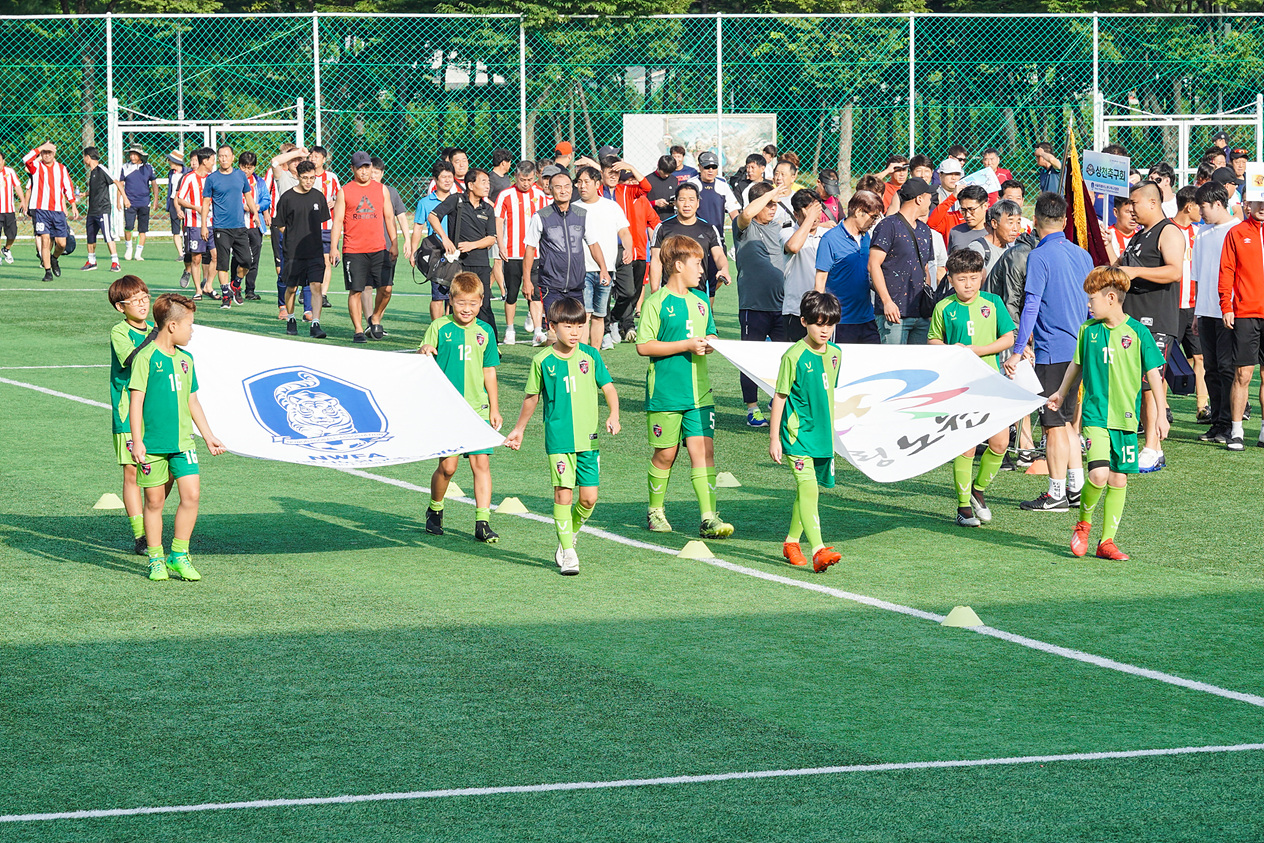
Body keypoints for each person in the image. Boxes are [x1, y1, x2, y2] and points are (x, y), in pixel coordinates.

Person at [1048, 267, 1169, 561]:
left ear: (1111, 298)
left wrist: (1162, 414)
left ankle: (1107, 542)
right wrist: (1062, 392)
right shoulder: (1087, 331)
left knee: (1118, 480)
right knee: (1100, 474)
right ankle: (1084, 525)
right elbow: (1076, 365)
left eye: (1092, 299)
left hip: (1126, 420)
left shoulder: (1138, 333)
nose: (1088, 305)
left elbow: (1154, 374)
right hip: (1095, 416)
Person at [503, 296, 621, 575]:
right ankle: (568, 552)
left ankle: (570, 533)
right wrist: (519, 429)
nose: (575, 332)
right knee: (563, 495)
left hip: (589, 440)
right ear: (552, 327)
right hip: (559, 439)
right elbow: (531, 398)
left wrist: (613, 414)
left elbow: (609, 388)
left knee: (589, 498)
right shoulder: (542, 360)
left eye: (579, 326)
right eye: (568, 327)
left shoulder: (591, 356)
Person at [636, 234, 732, 539]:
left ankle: (708, 517)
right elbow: (644, 346)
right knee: (666, 454)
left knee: (704, 452)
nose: (702, 269)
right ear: (678, 265)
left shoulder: (702, 302)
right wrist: (687, 345)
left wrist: (712, 344)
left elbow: (712, 335)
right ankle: (655, 510)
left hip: (700, 394)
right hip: (666, 394)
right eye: (697, 263)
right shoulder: (656, 303)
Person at [127, 292, 227, 582]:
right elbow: (136, 402)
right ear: (172, 326)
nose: (192, 331)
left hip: (184, 443)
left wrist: (208, 436)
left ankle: (179, 555)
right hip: (154, 446)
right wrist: (138, 440)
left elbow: (192, 401)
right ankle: (156, 559)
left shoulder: (187, 359)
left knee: (192, 495)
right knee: (155, 502)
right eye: (190, 325)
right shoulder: (146, 358)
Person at [1006, 192, 1091, 511]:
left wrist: (1017, 349)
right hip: (1078, 348)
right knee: (1068, 423)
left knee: (1053, 424)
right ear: (1066, 220)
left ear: (1036, 220)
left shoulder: (1039, 257)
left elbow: (1031, 305)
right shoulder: (1082, 255)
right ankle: (1075, 488)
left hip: (1053, 351)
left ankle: (1056, 493)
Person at [928, 249, 1016, 527]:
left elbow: (1008, 338)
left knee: (1000, 442)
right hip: (959, 387)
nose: (968, 284)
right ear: (951, 279)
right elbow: (932, 341)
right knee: (965, 446)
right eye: (962, 278)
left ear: (982, 277)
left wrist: (980, 350)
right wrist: (949, 349)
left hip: (991, 384)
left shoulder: (993, 302)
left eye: (974, 278)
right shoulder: (944, 307)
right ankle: (963, 505)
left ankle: (978, 490)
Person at [763, 288, 845, 573]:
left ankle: (791, 542)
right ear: (803, 322)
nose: (825, 330)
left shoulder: (836, 354)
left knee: (807, 491)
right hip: (797, 436)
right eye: (818, 324)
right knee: (809, 487)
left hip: (822, 435)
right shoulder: (793, 356)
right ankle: (819, 549)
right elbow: (780, 397)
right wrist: (774, 437)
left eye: (830, 324)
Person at [419, 271, 501, 542]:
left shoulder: (485, 331)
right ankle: (435, 509)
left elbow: (489, 371)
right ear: (451, 301)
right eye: (461, 303)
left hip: (477, 409)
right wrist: (424, 353)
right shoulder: (440, 327)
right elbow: (425, 355)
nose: (467, 309)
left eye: (473, 303)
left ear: (481, 302)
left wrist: (494, 408)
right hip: (448, 409)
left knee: (482, 464)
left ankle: (482, 522)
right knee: (448, 468)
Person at [1116, 181, 1186, 471]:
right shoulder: (1137, 236)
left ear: (1152, 203)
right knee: (1136, 385)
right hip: (1132, 320)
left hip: (1155, 320)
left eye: (1134, 202)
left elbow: (1174, 270)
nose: (1130, 208)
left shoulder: (1168, 231)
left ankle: (1153, 447)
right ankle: (1140, 442)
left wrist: (1135, 271)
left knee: (1149, 383)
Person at [523, 171, 606, 345]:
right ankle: (553, 369)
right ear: (550, 190)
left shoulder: (583, 215)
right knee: (555, 329)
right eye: (558, 187)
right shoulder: (541, 216)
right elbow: (530, 249)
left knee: (577, 327)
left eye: (567, 186)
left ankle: (579, 365)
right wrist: (527, 281)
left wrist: (603, 269)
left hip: (576, 285)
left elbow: (593, 244)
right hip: (550, 285)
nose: (563, 190)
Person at [735, 181, 792, 426]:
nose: (772, 208)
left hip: (780, 307)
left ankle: (776, 402)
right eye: (768, 204)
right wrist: (770, 192)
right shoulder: (744, 228)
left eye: (775, 205)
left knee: (784, 358)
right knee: (750, 359)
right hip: (753, 306)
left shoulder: (777, 225)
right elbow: (747, 213)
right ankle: (752, 409)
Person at [107, 275, 154, 556]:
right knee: (132, 472)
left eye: (145, 297)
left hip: (156, 411)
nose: (142, 304)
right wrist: (160, 334)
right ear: (120, 307)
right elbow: (133, 358)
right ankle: (140, 535)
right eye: (135, 300)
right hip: (127, 412)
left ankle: (151, 520)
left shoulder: (156, 329)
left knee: (157, 471)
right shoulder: (120, 332)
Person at [331, 151, 397, 343]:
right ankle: (359, 329)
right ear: (352, 169)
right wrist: (334, 247)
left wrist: (394, 242)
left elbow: (389, 217)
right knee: (356, 290)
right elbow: (337, 222)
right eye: (359, 167)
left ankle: (375, 317)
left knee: (386, 289)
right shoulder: (345, 191)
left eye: (367, 167)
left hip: (379, 248)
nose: (364, 171)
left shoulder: (382, 189)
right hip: (353, 249)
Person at [430, 168, 501, 342]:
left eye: (488, 182)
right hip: (459, 264)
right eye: (483, 182)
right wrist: (445, 239)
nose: (487, 186)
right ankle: (452, 340)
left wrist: (472, 245)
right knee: (457, 303)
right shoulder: (457, 200)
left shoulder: (488, 209)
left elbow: (491, 239)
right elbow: (433, 217)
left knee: (483, 305)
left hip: (482, 264)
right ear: (471, 185)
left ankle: (490, 343)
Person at [1218, 198, 1264, 451]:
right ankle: (1236, 430)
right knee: (1243, 373)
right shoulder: (1236, 233)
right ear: (1248, 204)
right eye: (1259, 202)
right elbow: (1226, 270)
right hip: (1245, 311)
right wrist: (1226, 306)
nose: (1263, 206)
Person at [1193, 182, 1237, 443]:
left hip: (1228, 312)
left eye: (1204, 206)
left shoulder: (1235, 230)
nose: (1201, 212)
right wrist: (1198, 312)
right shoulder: (1202, 233)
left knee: (1226, 367)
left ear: (1218, 204)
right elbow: (1197, 276)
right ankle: (1217, 423)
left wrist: (1231, 307)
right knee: (1210, 367)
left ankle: (1230, 422)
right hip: (1206, 311)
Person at [869, 176, 935, 345]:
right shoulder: (888, 226)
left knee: (918, 368)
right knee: (894, 366)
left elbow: (925, 268)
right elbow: (873, 264)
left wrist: (927, 305)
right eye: (929, 197)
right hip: (894, 314)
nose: (931, 201)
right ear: (919, 199)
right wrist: (886, 302)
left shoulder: (925, 230)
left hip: (920, 315)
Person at [568, 165, 628, 348]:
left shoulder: (611, 207)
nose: (582, 186)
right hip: (581, 270)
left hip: (606, 270)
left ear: (597, 184)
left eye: (586, 182)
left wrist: (628, 248)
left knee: (600, 315)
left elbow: (624, 231)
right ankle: (582, 354)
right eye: (579, 182)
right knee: (584, 314)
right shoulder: (572, 208)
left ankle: (594, 356)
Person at [814, 189, 882, 343]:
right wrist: (820, 318)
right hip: (841, 321)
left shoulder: (867, 238)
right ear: (858, 211)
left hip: (867, 318)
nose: (874, 222)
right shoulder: (830, 239)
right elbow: (820, 281)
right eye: (873, 217)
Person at [494, 160, 550, 346]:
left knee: (535, 293)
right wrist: (501, 245)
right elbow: (499, 221)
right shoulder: (506, 195)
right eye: (522, 179)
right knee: (511, 293)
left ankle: (537, 331)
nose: (526, 183)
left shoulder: (540, 196)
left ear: (535, 177)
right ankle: (510, 329)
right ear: (516, 177)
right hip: (512, 253)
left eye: (529, 179)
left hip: (535, 254)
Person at [273, 160, 330, 339]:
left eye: (312, 178)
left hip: (314, 251)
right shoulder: (287, 198)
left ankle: (316, 324)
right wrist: (292, 237)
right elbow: (279, 224)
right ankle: (291, 318)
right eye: (305, 178)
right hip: (293, 253)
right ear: (297, 176)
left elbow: (321, 221)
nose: (308, 182)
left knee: (316, 286)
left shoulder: (318, 197)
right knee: (292, 287)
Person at [647, 181, 730, 303]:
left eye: (691, 200)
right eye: (682, 200)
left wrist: (724, 268)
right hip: (669, 294)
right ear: (675, 202)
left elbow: (718, 255)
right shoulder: (663, 228)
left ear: (698, 203)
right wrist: (655, 291)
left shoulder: (709, 229)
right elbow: (656, 260)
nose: (687, 204)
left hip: (699, 294)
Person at [200, 144, 258, 309]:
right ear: (218, 158)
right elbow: (205, 203)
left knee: (247, 261)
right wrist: (204, 225)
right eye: (221, 156)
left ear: (233, 158)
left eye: (227, 156)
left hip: (239, 227)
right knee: (223, 264)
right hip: (221, 227)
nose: (224, 159)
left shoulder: (241, 176)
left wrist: (256, 215)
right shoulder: (212, 178)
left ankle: (236, 284)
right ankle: (226, 295)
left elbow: (248, 196)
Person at [1170, 185, 1209, 418]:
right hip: (1172, 306)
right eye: (1199, 205)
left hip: (1194, 306)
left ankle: (1202, 407)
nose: (1201, 211)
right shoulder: (1167, 230)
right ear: (1189, 206)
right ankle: (1163, 407)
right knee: (1165, 357)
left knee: (1200, 356)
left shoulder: (1200, 233)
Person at [365, 157, 412, 334]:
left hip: (386, 246)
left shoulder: (391, 192)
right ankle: (371, 323)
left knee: (385, 287)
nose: (374, 176)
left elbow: (401, 216)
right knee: (366, 286)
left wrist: (406, 240)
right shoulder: (362, 191)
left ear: (382, 174)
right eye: (371, 173)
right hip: (366, 246)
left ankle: (376, 318)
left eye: (377, 173)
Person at [268, 144, 312, 321]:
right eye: (293, 160)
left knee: (308, 272)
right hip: (286, 232)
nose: (296, 162)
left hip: (306, 233)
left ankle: (308, 309)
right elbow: (275, 162)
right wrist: (296, 153)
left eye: (299, 160)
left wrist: (304, 157)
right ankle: (283, 306)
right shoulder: (283, 177)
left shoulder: (309, 179)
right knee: (285, 271)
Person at [23, 142, 77, 282]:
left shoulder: (61, 168)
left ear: (54, 154)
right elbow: (26, 159)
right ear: (41, 154)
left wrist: (73, 205)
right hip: (41, 211)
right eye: (44, 152)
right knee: (45, 241)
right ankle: (47, 272)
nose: (47, 155)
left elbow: (68, 187)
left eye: (49, 152)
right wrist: (40, 148)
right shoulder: (36, 167)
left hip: (57, 211)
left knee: (62, 243)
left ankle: (54, 259)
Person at [413, 160, 458, 321]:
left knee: (456, 295)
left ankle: (453, 329)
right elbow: (418, 227)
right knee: (438, 295)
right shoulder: (425, 202)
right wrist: (413, 251)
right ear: (435, 180)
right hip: (437, 253)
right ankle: (437, 328)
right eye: (443, 177)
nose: (447, 180)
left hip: (458, 252)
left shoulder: (459, 201)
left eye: (450, 177)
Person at [781, 189, 826, 341]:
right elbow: (793, 247)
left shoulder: (827, 234)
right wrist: (809, 219)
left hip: (823, 310)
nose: (815, 217)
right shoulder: (787, 232)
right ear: (796, 214)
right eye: (808, 211)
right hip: (796, 310)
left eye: (817, 210)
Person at [176, 148, 216, 300]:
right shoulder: (189, 178)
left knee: (216, 255)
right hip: (194, 223)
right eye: (213, 160)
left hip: (212, 222)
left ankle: (209, 286)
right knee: (196, 258)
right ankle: (198, 290)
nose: (214, 163)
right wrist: (195, 207)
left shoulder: (213, 178)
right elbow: (180, 199)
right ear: (205, 161)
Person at [231, 151, 269, 302]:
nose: (247, 170)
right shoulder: (233, 181)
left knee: (254, 258)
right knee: (238, 257)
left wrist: (257, 207)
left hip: (255, 225)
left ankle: (250, 289)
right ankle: (234, 286)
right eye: (244, 167)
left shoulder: (259, 182)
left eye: (250, 167)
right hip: (237, 225)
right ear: (239, 166)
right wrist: (242, 206)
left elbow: (267, 199)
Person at [80, 147, 121, 273]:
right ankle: (91, 261)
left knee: (107, 235)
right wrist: (85, 194)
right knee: (90, 236)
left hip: (102, 209)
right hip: (92, 210)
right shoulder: (92, 173)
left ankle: (115, 262)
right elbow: (96, 190)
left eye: (84, 156)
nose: (83, 159)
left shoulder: (101, 169)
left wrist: (124, 199)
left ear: (88, 157)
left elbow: (117, 182)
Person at [309, 146, 340, 311]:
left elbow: (340, 197)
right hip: (309, 227)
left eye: (316, 156)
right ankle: (308, 290)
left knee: (327, 260)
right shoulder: (306, 177)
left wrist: (334, 202)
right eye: (311, 156)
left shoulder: (331, 177)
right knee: (311, 260)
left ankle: (323, 293)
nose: (313, 159)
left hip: (327, 226)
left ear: (324, 159)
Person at [117, 143, 156, 261]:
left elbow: (154, 184)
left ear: (140, 155)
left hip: (144, 201)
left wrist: (155, 199)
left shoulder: (148, 167)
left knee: (142, 229)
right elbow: (121, 185)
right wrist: (120, 200)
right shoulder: (125, 167)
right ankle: (129, 247)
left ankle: (138, 253)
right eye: (131, 154)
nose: (132, 157)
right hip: (130, 202)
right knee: (129, 226)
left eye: (135, 154)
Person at [967, 198, 1022, 278]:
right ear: (994, 223)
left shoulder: (1012, 250)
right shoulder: (978, 249)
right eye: (1010, 222)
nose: (1015, 228)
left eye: (1018, 223)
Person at [164, 150, 193, 286]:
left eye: (170, 160)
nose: (169, 162)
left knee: (186, 228)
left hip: (185, 203)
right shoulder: (171, 173)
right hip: (173, 202)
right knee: (175, 230)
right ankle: (181, 253)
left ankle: (188, 250)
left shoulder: (187, 173)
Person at [0, 150, 28, 263]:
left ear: (3, 161)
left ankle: (6, 249)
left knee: (12, 233)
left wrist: (23, 201)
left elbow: (17, 186)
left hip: (9, 210)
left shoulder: (9, 172)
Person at [945, 185, 990, 253]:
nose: (967, 215)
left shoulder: (995, 233)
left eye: (971, 209)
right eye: (963, 210)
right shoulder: (955, 232)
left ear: (985, 206)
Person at [1104, 196, 1138, 261]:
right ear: (1116, 212)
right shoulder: (1106, 236)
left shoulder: (1142, 236)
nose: (1133, 217)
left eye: (1135, 211)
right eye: (1128, 212)